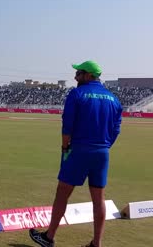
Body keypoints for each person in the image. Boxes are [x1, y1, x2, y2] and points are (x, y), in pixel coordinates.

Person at [29, 61, 122, 247]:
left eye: (78, 73)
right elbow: (116, 130)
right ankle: (96, 244)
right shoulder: (114, 99)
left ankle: (49, 237)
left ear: (88, 75)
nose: (75, 77)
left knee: (62, 193)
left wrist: (65, 147)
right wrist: (104, 146)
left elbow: (67, 125)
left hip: (78, 150)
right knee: (99, 199)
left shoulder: (77, 93)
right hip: (102, 152)